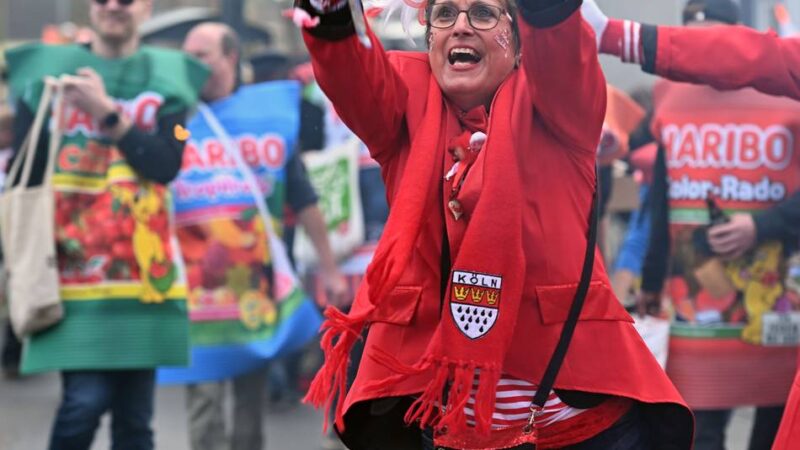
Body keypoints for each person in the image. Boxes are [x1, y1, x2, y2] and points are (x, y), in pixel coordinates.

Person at [292, 0, 693, 448]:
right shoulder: (403, 108)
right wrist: (329, 14)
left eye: (483, 13)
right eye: (445, 15)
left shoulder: (557, 104)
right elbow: (352, 74)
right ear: (429, 38)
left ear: (519, 45)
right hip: (449, 425)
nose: (461, 26)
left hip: (576, 425)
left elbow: (560, 46)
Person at [582, 1, 800, 448]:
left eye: (714, 40)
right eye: (693, 39)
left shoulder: (785, 90)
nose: (704, 52)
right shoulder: (670, 97)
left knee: (775, 433)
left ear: (738, 39)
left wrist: (760, 227)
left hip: (777, 311)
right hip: (695, 318)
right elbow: (661, 199)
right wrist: (650, 281)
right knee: (700, 432)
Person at [3, 0, 207, 448]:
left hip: (146, 284)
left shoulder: (168, 77)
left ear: (146, 8)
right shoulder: (45, 74)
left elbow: (165, 165)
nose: (114, 6)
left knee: (135, 422)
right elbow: (25, 170)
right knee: (84, 404)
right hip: (68, 280)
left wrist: (105, 113)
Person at [176, 23, 347, 450]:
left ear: (230, 58)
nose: (191, 64)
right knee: (203, 402)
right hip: (194, 291)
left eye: (202, 55)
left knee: (249, 405)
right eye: (187, 56)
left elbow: (303, 196)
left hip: (253, 288)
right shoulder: (178, 119)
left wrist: (330, 269)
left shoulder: (267, 120)